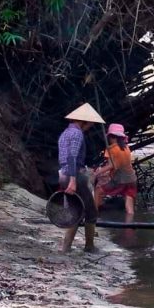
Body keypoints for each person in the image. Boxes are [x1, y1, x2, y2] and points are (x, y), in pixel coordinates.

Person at [58, 104, 105, 253]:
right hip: (74, 176)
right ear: (83, 121)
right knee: (91, 212)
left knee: (75, 210)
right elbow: (72, 157)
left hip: (62, 174)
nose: (91, 126)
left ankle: (66, 247)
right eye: (90, 123)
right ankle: (89, 246)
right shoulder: (77, 134)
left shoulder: (65, 133)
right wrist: (73, 180)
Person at [94, 124, 137, 220]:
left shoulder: (111, 149)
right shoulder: (126, 148)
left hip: (120, 180)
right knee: (129, 208)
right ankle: (129, 229)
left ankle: (94, 217)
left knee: (98, 191)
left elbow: (111, 165)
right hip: (132, 179)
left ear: (110, 137)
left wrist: (96, 173)